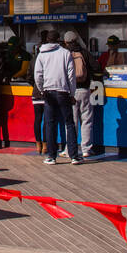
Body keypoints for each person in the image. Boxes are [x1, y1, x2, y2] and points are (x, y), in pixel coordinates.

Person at [33, 32, 78, 165]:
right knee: (69, 123)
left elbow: (38, 75)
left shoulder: (41, 54)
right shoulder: (65, 53)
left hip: (48, 92)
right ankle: (74, 156)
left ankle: (51, 156)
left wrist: (42, 90)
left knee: (50, 124)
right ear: (59, 40)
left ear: (47, 40)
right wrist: (72, 93)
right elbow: (71, 75)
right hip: (63, 91)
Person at [65, 31, 97, 161]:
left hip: (70, 92)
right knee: (87, 120)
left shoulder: (65, 54)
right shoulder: (85, 52)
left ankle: (70, 149)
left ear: (66, 42)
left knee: (72, 122)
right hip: (84, 90)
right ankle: (86, 149)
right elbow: (96, 67)